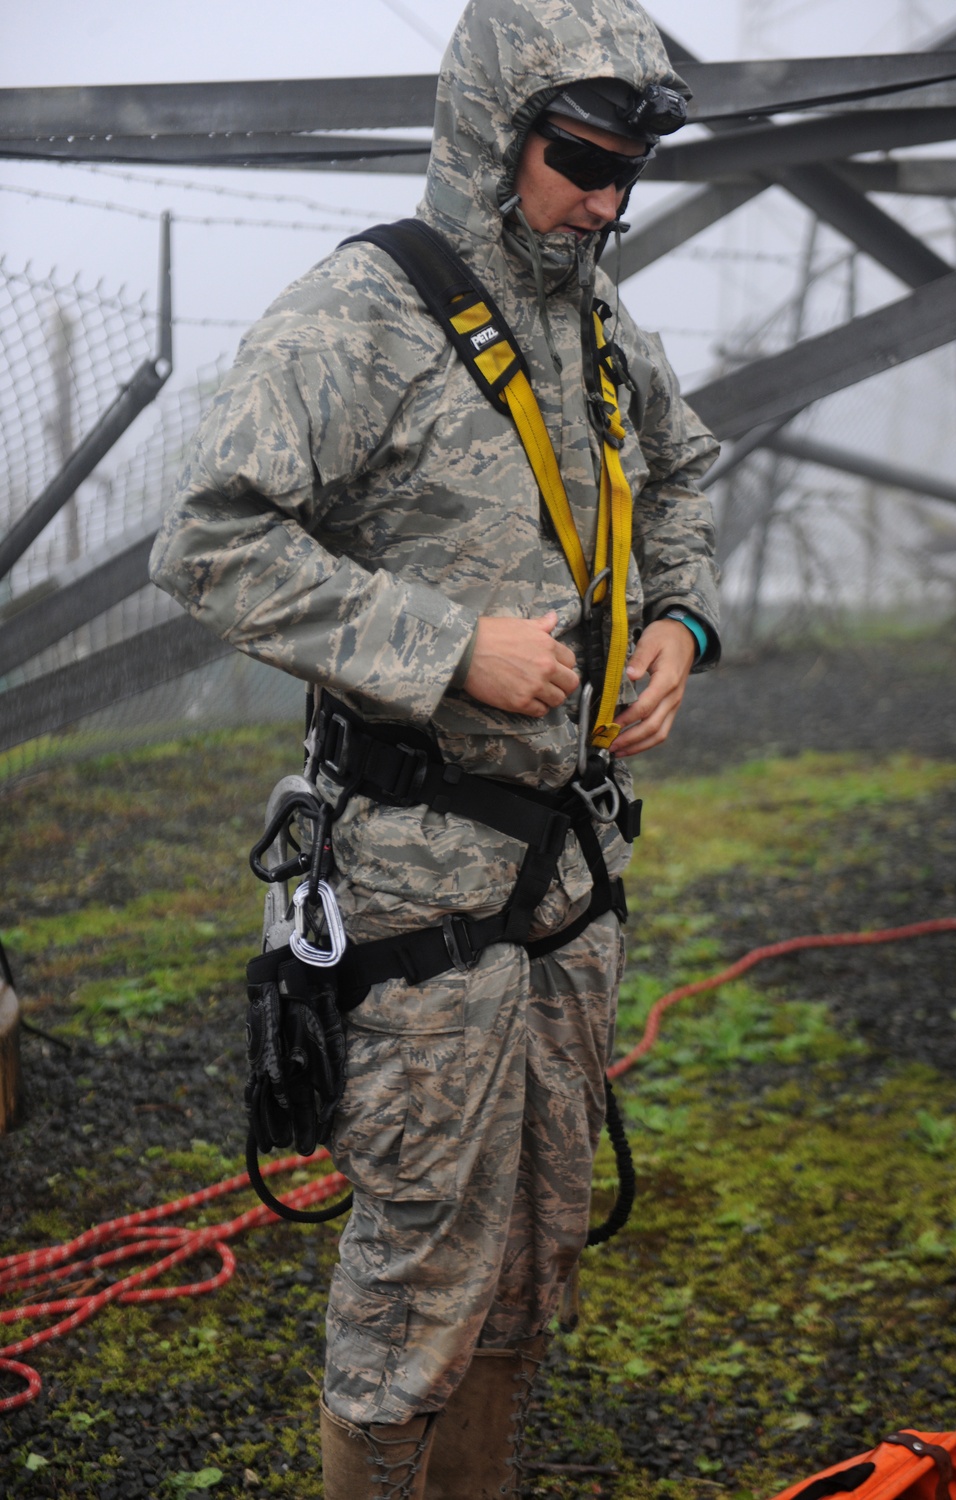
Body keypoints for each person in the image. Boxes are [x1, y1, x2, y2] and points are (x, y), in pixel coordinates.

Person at [150, 1, 721, 1495]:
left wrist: (678, 628)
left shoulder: (596, 320)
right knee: (420, 1270)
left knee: (539, 1245)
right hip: (414, 880)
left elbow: (685, 473)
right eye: (580, 160)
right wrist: (447, 643)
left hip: (569, 875)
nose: (603, 200)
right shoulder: (360, 316)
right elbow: (208, 542)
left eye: (626, 171)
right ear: (492, 133)